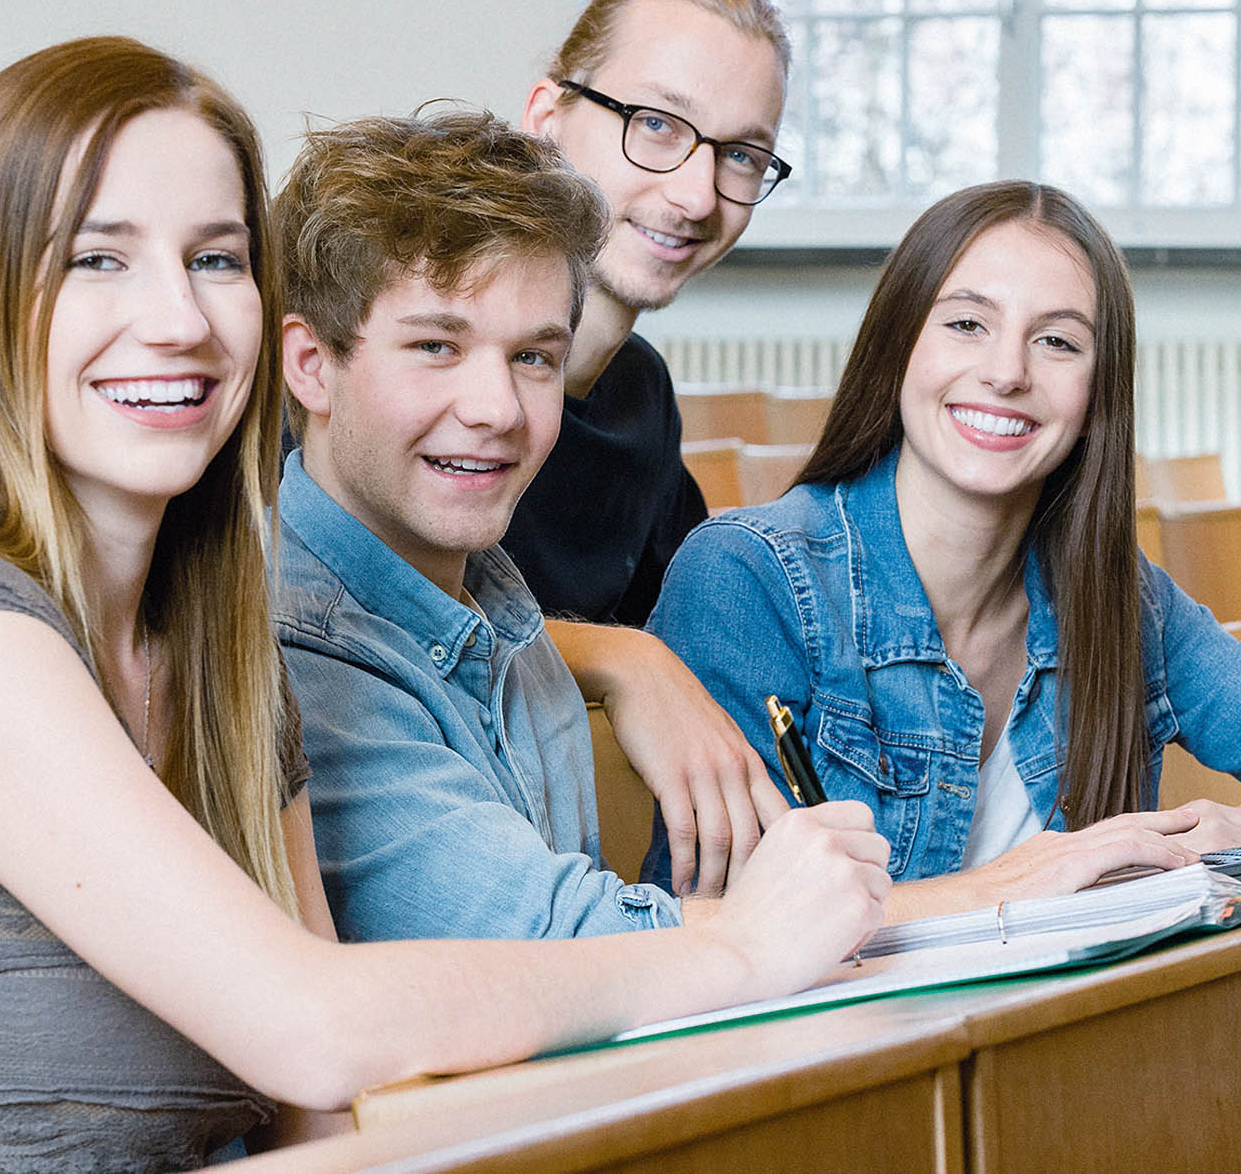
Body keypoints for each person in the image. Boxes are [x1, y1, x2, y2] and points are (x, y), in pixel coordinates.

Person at [0, 37, 890, 1172]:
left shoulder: (221, 648)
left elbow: (320, 1124)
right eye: (99, 260)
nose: (179, 321)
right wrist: (739, 952)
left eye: (215, 259)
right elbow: (310, 1027)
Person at [648, 180, 1241, 910]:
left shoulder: (1123, 602)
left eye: (1057, 341)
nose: (1006, 373)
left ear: (1097, 400)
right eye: (967, 323)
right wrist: (1008, 887)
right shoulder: (747, 577)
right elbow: (717, 926)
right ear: (898, 346)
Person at [273, 108, 841, 942]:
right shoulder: (301, 655)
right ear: (312, 367)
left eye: (534, 357)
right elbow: (559, 944)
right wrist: (979, 904)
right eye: (436, 346)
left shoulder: (498, 601)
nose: (497, 409)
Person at [500, 0, 802, 896]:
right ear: (547, 118)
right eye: (658, 126)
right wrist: (614, 657)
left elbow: (707, 627)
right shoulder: (405, 368)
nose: (697, 196)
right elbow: (342, 611)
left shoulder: (641, 399)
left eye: (741, 154)